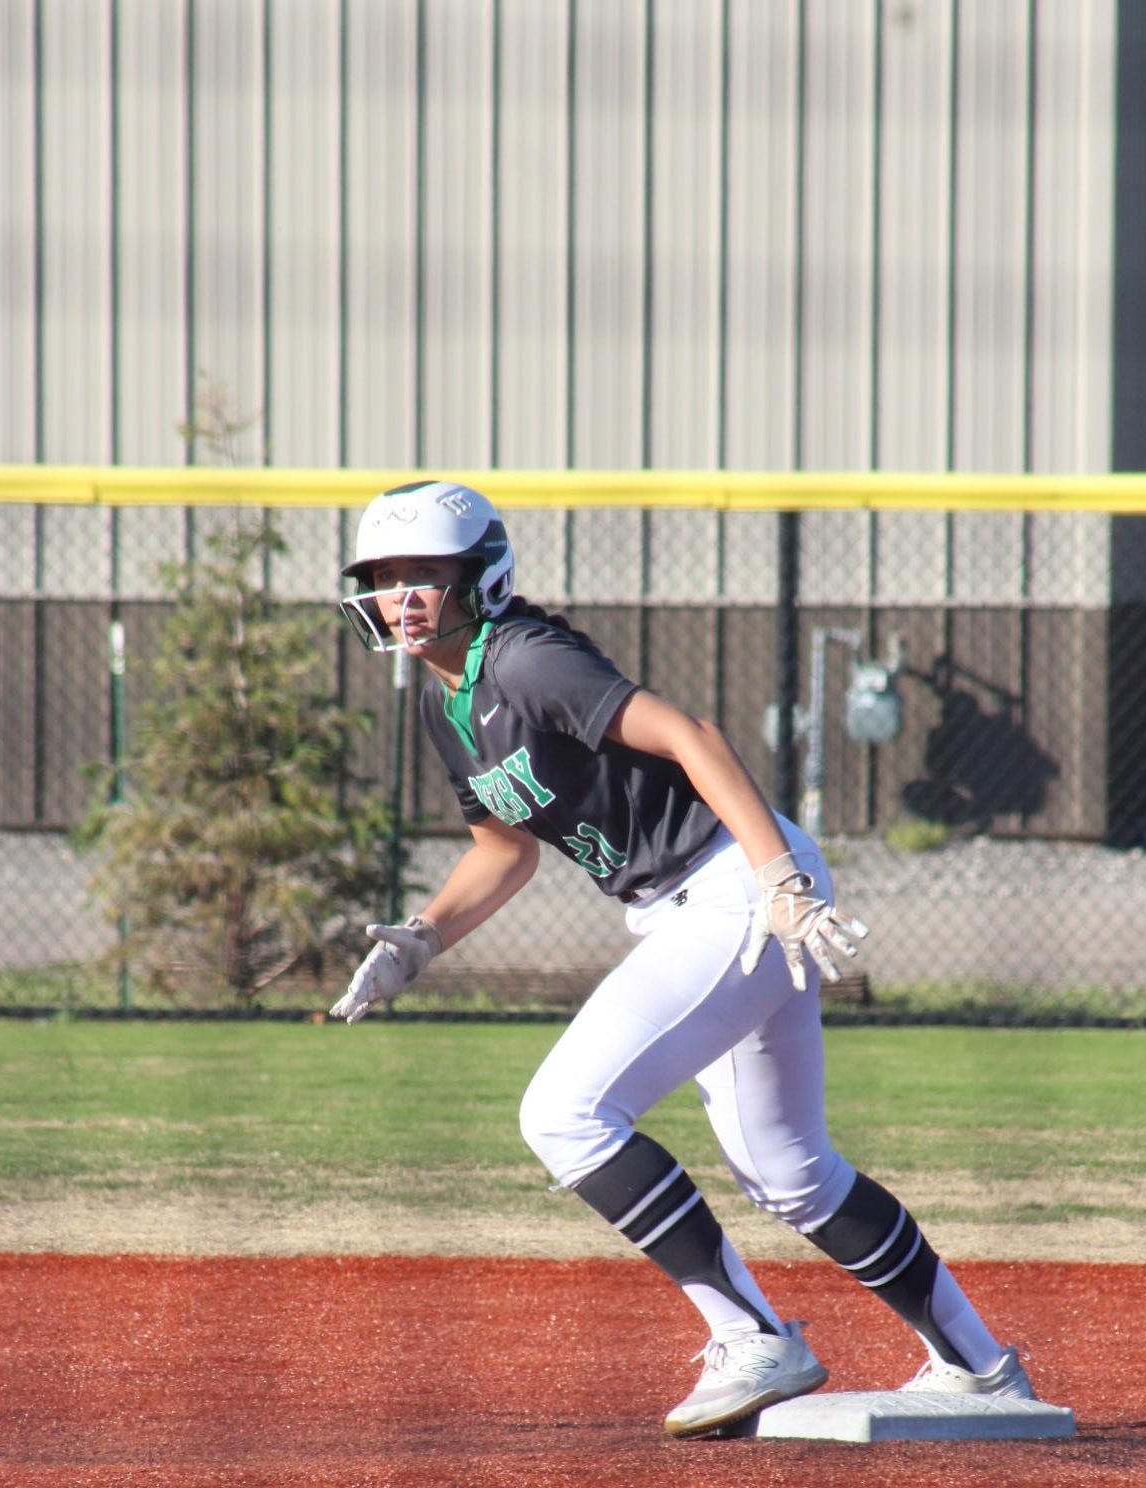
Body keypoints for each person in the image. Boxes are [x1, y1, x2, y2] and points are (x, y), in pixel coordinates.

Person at [332, 480, 1037, 1436]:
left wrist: (782, 877)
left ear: (481, 576)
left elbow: (690, 737)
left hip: (733, 884)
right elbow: (505, 849)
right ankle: (981, 1365)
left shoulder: (526, 659)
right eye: (384, 577)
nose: (401, 595)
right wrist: (421, 939)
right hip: (686, 904)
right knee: (792, 1173)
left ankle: (753, 1335)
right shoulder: (444, 699)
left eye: (425, 573)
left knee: (565, 1113)